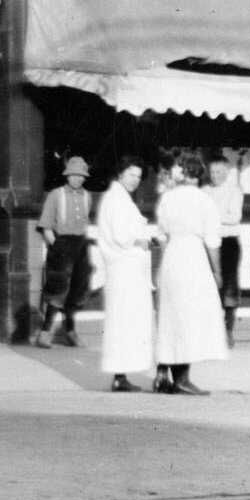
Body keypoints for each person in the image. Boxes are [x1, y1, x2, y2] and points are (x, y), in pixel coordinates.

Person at [150, 153, 229, 395]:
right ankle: (182, 379)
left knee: (171, 316)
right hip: (193, 258)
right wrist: (217, 271)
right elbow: (212, 240)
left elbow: (162, 236)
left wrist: (161, 266)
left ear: (183, 173)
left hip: (172, 256)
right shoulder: (204, 201)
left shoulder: (167, 198)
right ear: (198, 174)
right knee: (189, 317)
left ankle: (163, 374)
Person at [91, 157, 160, 392]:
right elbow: (122, 236)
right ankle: (119, 376)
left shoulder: (119, 198)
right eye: (131, 174)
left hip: (126, 269)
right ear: (120, 173)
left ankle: (121, 374)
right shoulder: (117, 200)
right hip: (124, 269)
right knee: (124, 321)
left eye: (138, 176)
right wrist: (143, 240)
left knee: (125, 322)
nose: (135, 180)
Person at [33, 156, 95, 348]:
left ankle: (69, 331)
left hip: (81, 245)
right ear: (67, 175)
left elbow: (85, 223)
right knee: (58, 288)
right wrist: (56, 246)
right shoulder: (56, 195)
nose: (78, 178)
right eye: (74, 174)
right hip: (62, 244)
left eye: (82, 175)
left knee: (78, 288)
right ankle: (45, 332)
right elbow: (46, 226)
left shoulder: (87, 196)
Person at [203, 153, 245, 346]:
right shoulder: (204, 191)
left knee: (229, 285)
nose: (215, 175)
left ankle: (228, 330)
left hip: (228, 242)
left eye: (219, 172)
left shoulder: (234, 191)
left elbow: (234, 217)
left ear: (227, 172)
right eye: (212, 172)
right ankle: (210, 331)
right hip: (208, 242)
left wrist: (211, 217)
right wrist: (218, 216)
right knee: (208, 286)